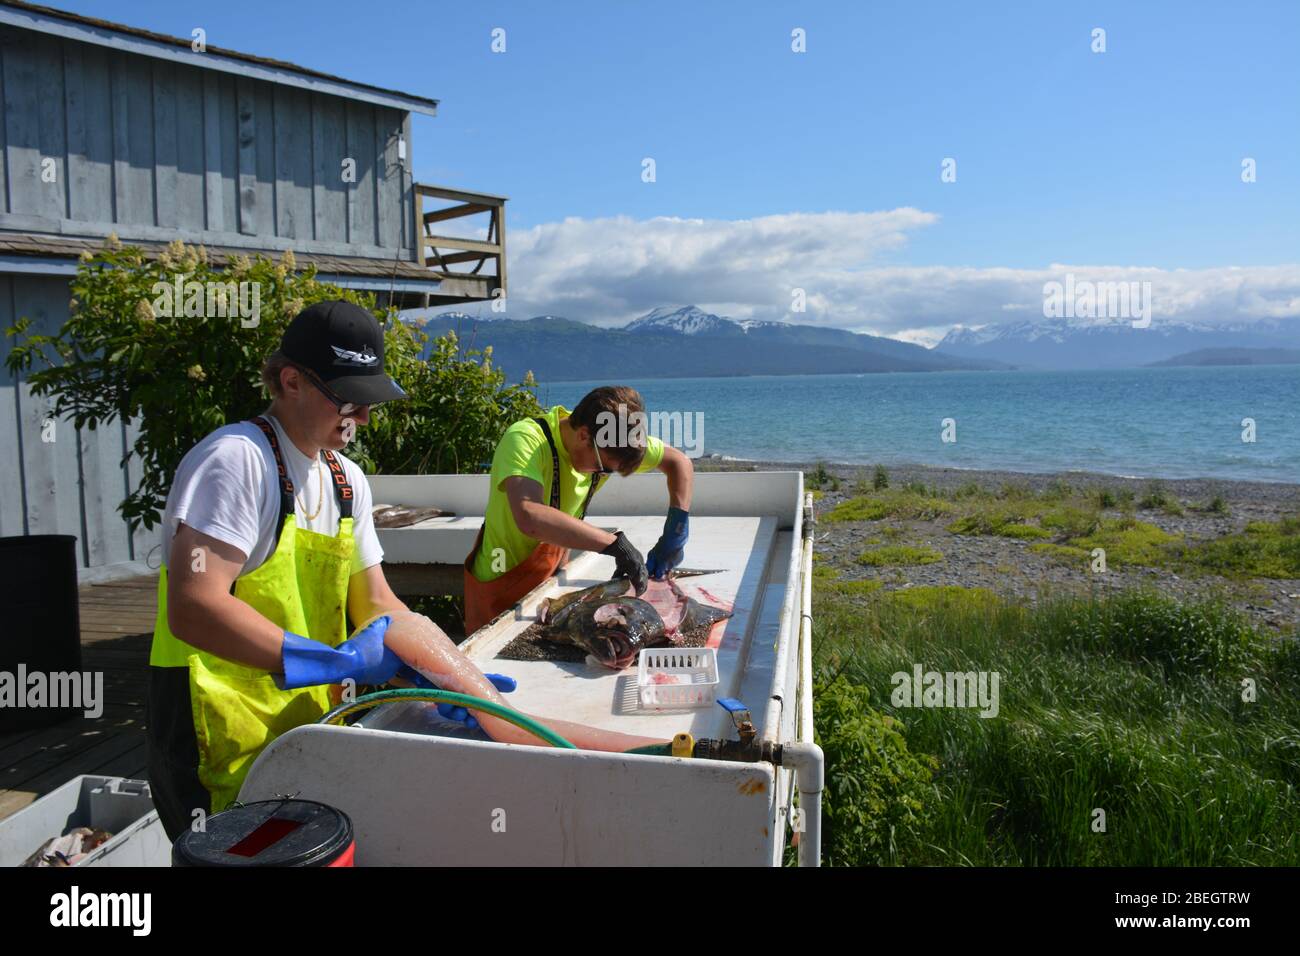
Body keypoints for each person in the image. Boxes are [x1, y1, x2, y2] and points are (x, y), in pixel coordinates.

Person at [146, 300, 419, 840]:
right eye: (350, 399)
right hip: (216, 733)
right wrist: (328, 660)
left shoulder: (346, 481)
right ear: (290, 381)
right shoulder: (234, 460)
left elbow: (376, 603)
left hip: (304, 731)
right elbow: (195, 606)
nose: (363, 417)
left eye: (371, 402)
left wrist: (433, 674)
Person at [463, 385, 694, 635]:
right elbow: (529, 515)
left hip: (549, 582)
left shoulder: (613, 437)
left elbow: (679, 462)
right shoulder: (525, 439)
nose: (602, 474)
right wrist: (615, 545)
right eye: (603, 467)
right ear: (584, 435)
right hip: (499, 581)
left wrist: (676, 529)